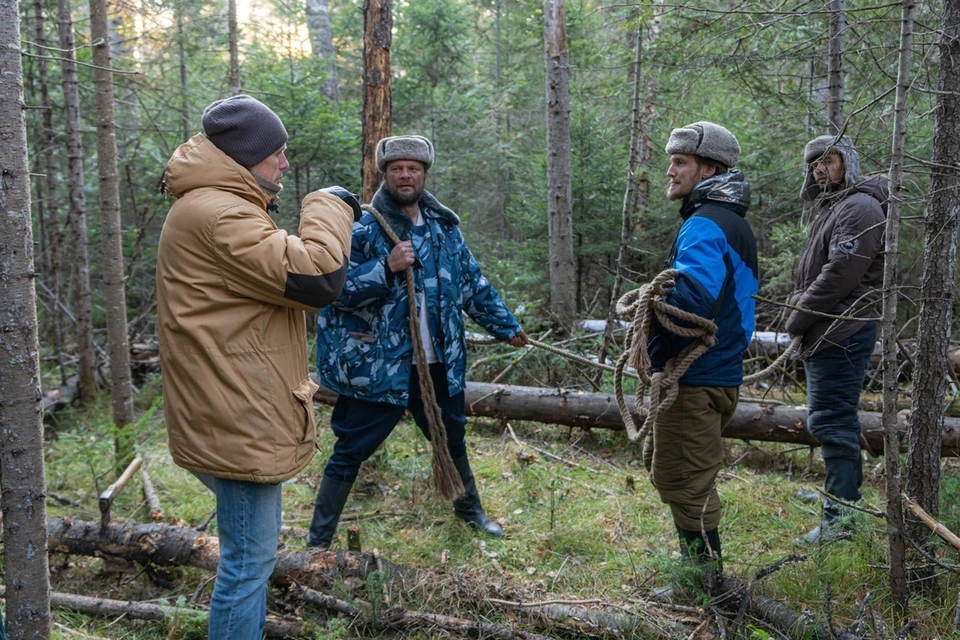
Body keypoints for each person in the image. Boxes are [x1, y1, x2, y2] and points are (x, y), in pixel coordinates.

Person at [156, 94, 359, 639]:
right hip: (235, 414)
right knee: (248, 564)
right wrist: (327, 205)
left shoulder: (215, 205)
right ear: (247, 156)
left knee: (249, 558)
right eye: (278, 153)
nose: (285, 164)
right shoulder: (220, 212)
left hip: (227, 405)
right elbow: (317, 277)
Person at [308, 134, 529, 549]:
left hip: (437, 361)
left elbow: (472, 283)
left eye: (413, 168)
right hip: (378, 367)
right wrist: (386, 267)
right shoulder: (362, 227)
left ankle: (470, 511)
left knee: (451, 437)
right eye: (397, 169)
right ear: (384, 175)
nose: (405, 175)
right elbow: (332, 290)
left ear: (425, 174)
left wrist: (506, 326)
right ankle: (318, 542)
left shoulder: (445, 228)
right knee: (351, 448)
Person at [648, 122, 758, 587]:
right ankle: (701, 577)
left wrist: (657, 347)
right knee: (684, 475)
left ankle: (703, 584)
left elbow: (691, 306)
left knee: (686, 482)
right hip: (720, 372)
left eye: (680, 162)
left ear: (707, 169)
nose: (670, 171)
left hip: (696, 378)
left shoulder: (704, 224)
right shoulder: (732, 222)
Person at [786, 135, 886, 545]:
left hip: (841, 329)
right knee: (829, 418)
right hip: (828, 327)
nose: (819, 170)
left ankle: (841, 518)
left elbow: (840, 274)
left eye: (828, 160)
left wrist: (798, 316)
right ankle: (838, 495)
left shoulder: (860, 207)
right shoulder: (836, 206)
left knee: (832, 420)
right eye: (814, 164)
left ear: (847, 163)